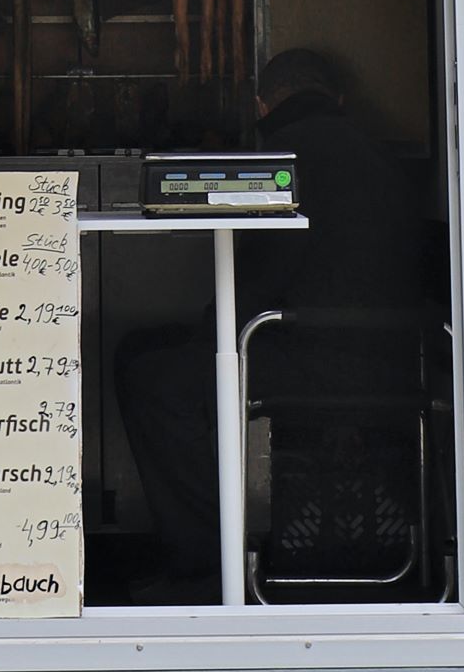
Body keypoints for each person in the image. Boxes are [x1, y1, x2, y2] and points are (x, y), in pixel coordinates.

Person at [114, 48, 421, 594]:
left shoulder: (287, 157)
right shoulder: (373, 152)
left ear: (261, 103)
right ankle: (210, 555)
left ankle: (206, 564)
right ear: (339, 99)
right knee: (151, 354)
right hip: (398, 354)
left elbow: (259, 281)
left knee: (152, 380)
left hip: (316, 356)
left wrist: (204, 339)